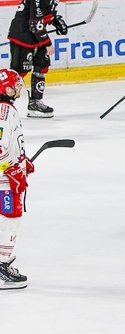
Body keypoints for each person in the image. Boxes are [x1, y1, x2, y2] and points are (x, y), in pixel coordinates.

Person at [6, 0, 67, 119]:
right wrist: (47, 43)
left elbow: (48, 14)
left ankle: (35, 103)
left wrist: (56, 20)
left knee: (42, 65)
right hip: (23, 35)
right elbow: (35, 23)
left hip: (36, 35)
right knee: (19, 72)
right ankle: (2, 103)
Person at [0, 68, 33, 290]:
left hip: (7, 174)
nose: (19, 88)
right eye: (15, 85)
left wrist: (22, 160)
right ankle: (1, 268)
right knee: (11, 218)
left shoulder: (7, 109)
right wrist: (11, 169)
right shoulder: (4, 110)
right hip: (4, 179)